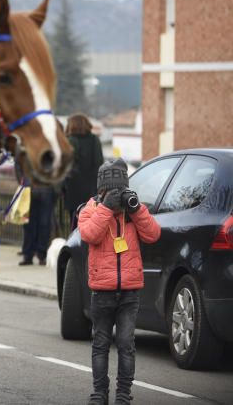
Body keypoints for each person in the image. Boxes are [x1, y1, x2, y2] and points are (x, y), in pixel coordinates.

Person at [78, 159, 160, 405]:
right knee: (101, 343)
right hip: (102, 290)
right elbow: (90, 234)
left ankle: (123, 395)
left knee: (126, 344)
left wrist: (137, 210)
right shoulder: (90, 210)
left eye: (119, 190)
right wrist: (106, 208)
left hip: (129, 291)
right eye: (109, 190)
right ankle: (99, 393)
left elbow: (153, 234)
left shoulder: (133, 212)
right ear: (100, 190)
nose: (115, 194)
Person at [63, 113, 104, 227]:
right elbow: (99, 163)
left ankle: (75, 242)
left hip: (72, 188)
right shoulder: (94, 140)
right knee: (89, 221)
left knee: (74, 221)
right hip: (91, 188)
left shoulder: (69, 140)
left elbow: (66, 165)